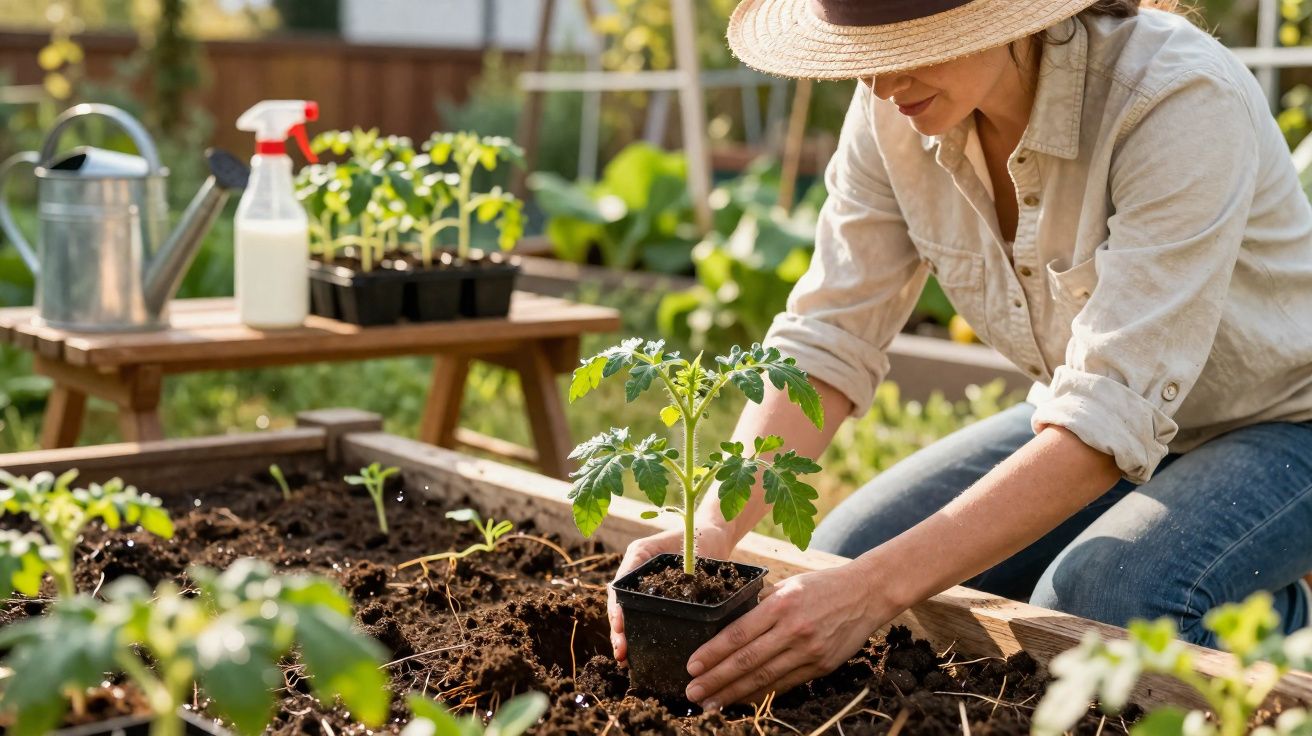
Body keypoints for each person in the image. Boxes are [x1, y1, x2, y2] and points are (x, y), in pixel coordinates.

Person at [607, 0, 1312, 712]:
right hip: (1105, 425)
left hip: (1283, 423)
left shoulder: (1173, 97)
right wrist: (713, 528)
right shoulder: (892, 111)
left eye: (910, 44)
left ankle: (1273, 621)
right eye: (862, 52)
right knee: (844, 552)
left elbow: (1111, 409)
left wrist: (872, 593)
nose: (879, 82)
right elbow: (828, 334)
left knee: (1100, 603)